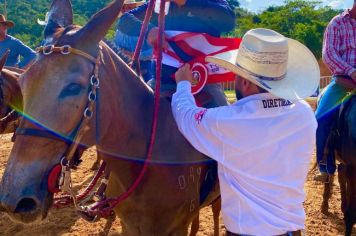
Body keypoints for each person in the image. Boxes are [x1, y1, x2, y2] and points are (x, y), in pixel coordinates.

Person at [171, 28, 319, 235]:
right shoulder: (304, 114)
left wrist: (184, 84)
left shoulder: (230, 121)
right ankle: (326, 165)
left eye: (237, 75)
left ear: (246, 82)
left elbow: (186, 117)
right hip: (292, 230)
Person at [116, 0, 235, 107]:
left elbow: (228, 21)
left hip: (205, 84)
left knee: (223, 128)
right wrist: (149, 30)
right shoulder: (160, 4)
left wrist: (185, 2)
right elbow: (124, 20)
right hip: (162, 82)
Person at [314, 0, 356, 183]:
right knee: (320, 118)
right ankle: (325, 166)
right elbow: (329, 54)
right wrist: (352, 72)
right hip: (343, 82)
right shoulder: (337, 22)